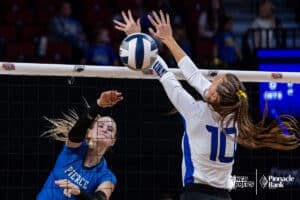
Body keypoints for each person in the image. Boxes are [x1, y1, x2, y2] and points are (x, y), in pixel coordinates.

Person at [114, 10, 300, 200]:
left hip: (196, 195)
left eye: (215, 82)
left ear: (214, 96)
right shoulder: (233, 114)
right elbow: (194, 76)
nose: (211, 80)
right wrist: (168, 40)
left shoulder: (197, 112)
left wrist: (140, 41)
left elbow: (166, 75)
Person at [37, 90, 123, 200]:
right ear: (90, 133)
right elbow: (76, 132)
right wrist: (99, 105)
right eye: (100, 126)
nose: (105, 130)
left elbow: (100, 198)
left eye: (110, 129)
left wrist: (79, 193)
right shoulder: (72, 150)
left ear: (113, 141)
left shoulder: (107, 177)